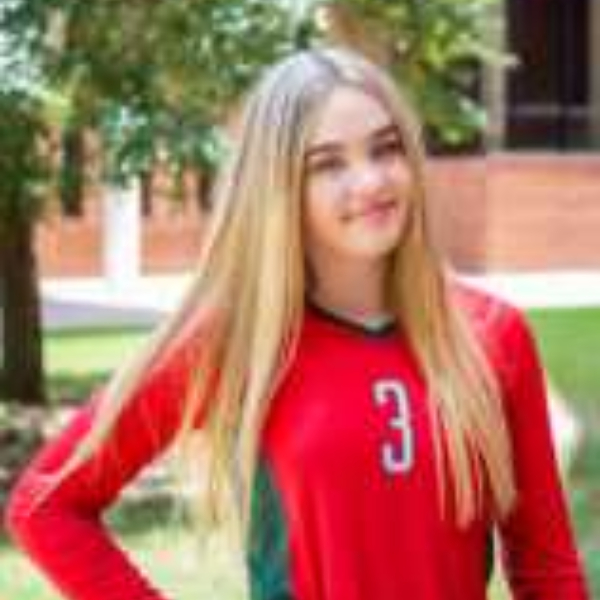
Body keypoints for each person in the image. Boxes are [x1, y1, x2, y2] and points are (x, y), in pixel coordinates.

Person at [4, 45, 590, 600]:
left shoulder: (492, 333)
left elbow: (547, 567)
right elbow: (47, 505)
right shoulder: (237, 341)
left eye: (385, 149)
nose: (370, 181)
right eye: (328, 164)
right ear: (279, 188)